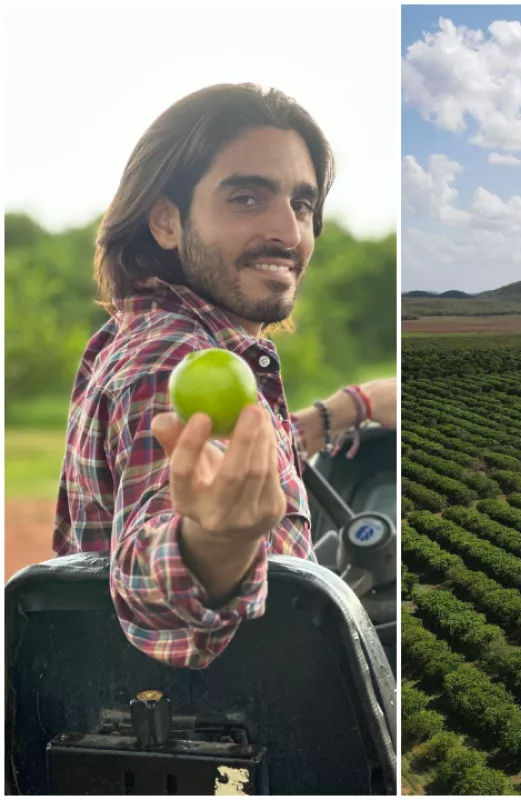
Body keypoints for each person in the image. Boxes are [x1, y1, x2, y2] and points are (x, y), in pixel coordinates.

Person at [53, 83, 398, 669]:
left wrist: (343, 411)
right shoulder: (170, 359)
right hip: (247, 736)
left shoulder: (134, 335)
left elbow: (220, 454)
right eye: (245, 199)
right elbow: (151, 561)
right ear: (166, 220)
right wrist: (212, 544)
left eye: (302, 205)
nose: (288, 234)